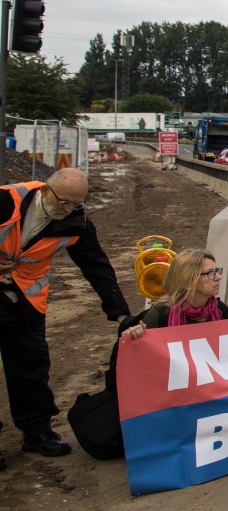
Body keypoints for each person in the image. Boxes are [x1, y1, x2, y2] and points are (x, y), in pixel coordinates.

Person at [0, 169, 131, 467]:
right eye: (64, 203)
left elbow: (96, 266)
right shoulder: (7, 200)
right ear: (46, 191)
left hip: (24, 300)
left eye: (76, 204)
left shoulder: (76, 223)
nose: (69, 210)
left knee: (32, 365)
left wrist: (121, 314)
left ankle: (37, 431)